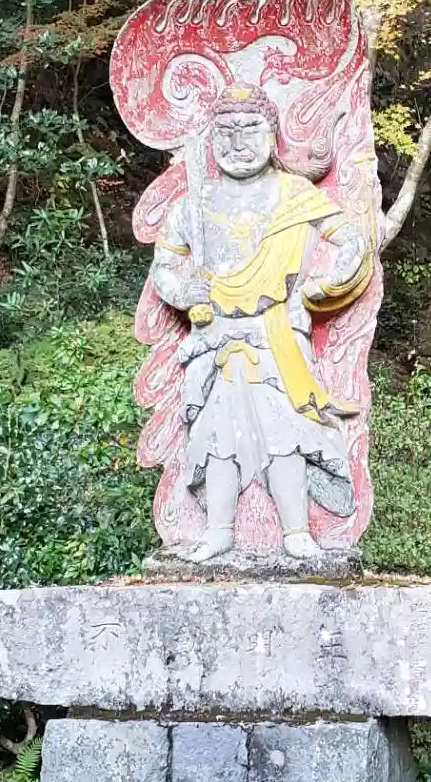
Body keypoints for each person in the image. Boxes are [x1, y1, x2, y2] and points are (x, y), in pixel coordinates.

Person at [147, 85, 372, 561]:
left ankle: (296, 531)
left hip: (277, 334)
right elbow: (163, 267)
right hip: (214, 336)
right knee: (216, 436)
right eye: (224, 132)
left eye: (250, 130)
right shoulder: (196, 202)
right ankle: (218, 531)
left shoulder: (295, 195)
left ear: (272, 135)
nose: (237, 144)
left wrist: (326, 285)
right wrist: (185, 293)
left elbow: (352, 241)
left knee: (284, 432)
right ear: (210, 139)